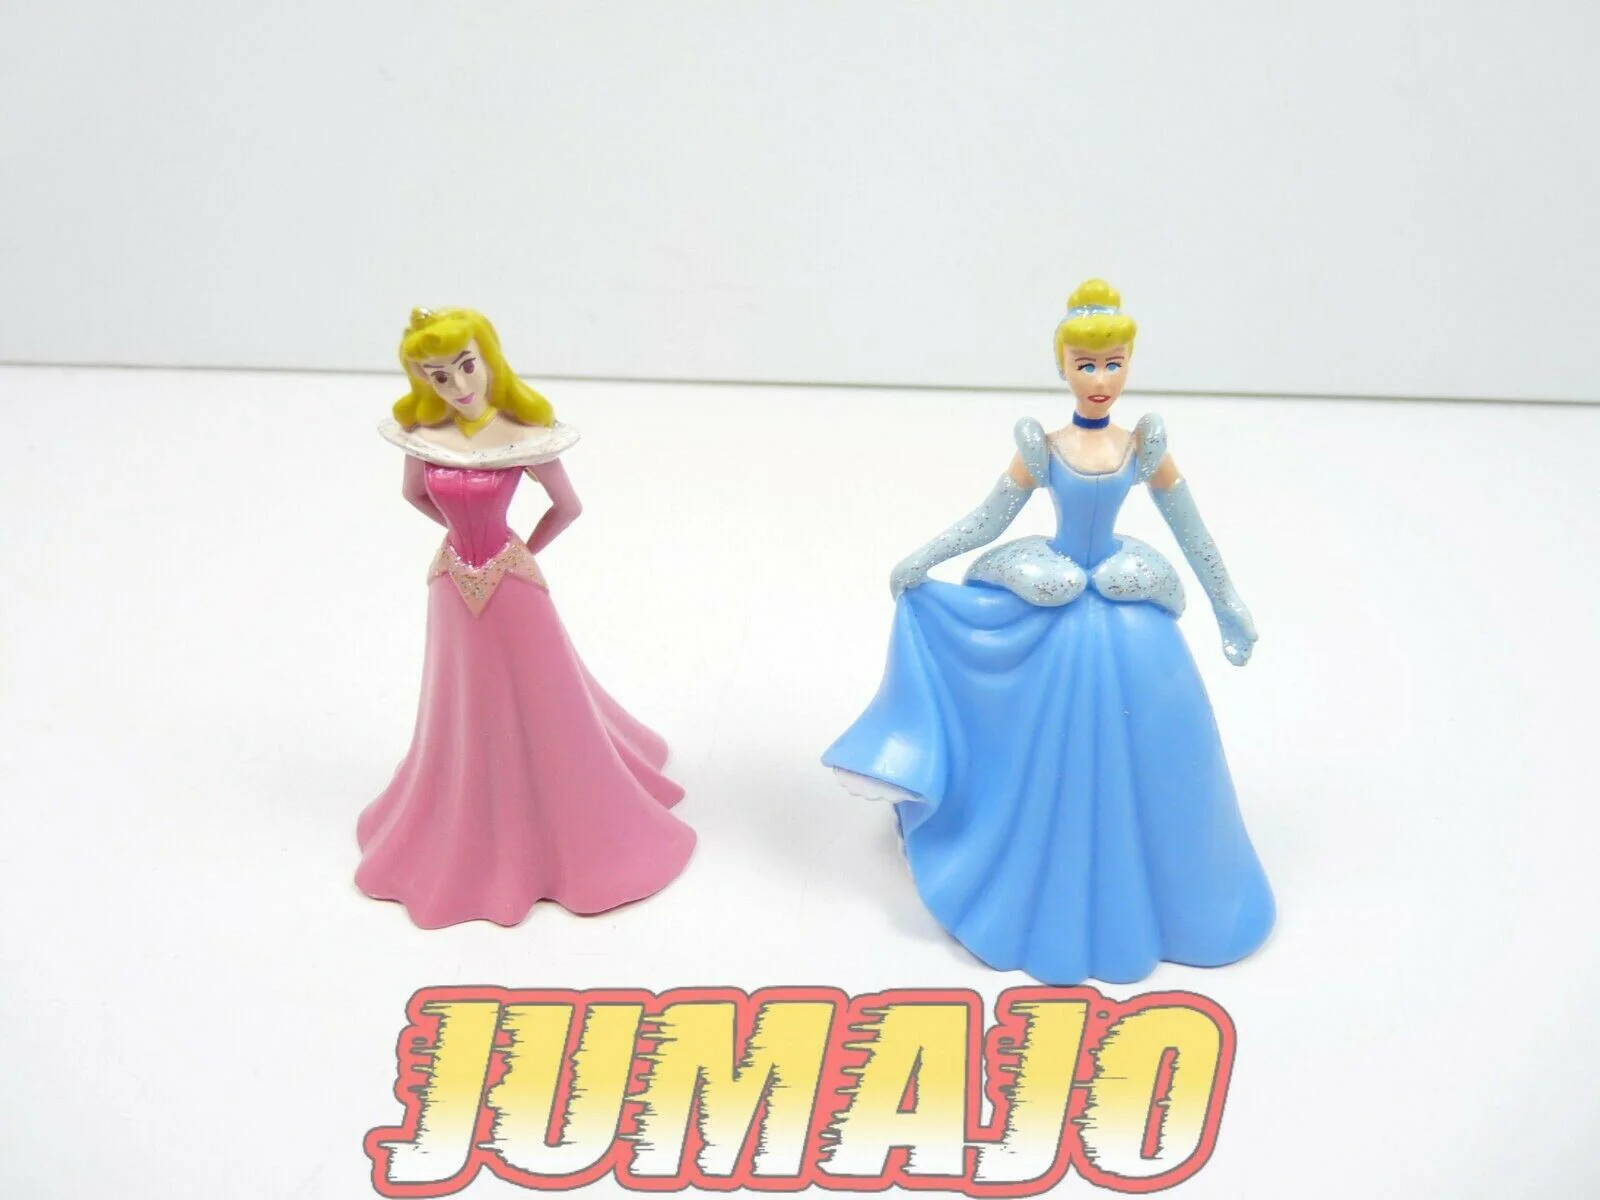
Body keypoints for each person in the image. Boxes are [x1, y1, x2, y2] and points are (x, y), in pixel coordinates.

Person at [824, 280, 1274, 984]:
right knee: (1034, 751)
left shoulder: (1142, 445)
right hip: (1053, 601)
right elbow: (989, 518)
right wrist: (925, 558)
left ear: (1129, 366)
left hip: (1128, 612)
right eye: (1086, 365)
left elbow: (1191, 529)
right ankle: (1024, 875)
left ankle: (1174, 893)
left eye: (1113, 364)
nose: (1100, 380)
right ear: (1062, 367)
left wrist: (1228, 603)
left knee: (1164, 747)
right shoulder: (1044, 448)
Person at [356, 307, 694, 928]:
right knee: (462, 697)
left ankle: (565, 815)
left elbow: (567, 506)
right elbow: (413, 493)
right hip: (451, 582)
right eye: (439, 376)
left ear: (487, 358)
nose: (458, 385)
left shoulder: (522, 432)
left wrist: (519, 550)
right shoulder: (423, 434)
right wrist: (458, 534)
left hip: (510, 583)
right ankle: (466, 807)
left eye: (466, 366)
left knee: (541, 694)